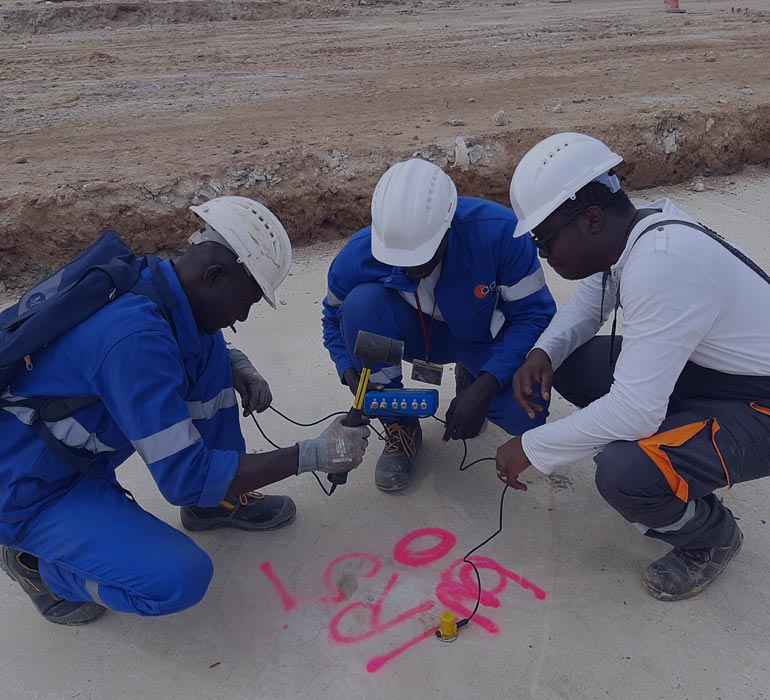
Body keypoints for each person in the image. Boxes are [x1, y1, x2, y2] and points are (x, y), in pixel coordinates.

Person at [0, 196, 370, 625]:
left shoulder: (155, 286)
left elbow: (180, 351)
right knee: (178, 579)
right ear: (214, 276)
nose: (243, 316)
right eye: (247, 301)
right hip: (30, 489)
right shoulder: (133, 338)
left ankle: (215, 503)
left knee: (209, 346)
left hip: (69, 459)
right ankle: (40, 570)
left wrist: (231, 361)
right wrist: (313, 455)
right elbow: (185, 478)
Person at [496, 131, 770, 601]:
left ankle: (712, 537)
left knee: (624, 474)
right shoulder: (639, 233)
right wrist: (543, 354)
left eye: (545, 239)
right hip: (722, 379)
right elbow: (591, 304)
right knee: (573, 363)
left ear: (592, 219)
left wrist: (532, 447)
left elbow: (635, 412)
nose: (543, 254)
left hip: (759, 405)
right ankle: (679, 459)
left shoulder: (662, 265)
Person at [323, 158, 556, 491]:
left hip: (482, 337)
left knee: (526, 414)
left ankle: (472, 374)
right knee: (361, 305)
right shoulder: (359, 253)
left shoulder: (500, 233)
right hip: (417, 335)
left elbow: (534, 316)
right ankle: (400, 426)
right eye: (397, 258)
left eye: (420, 255)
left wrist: (487, 383)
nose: (409, 268)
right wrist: (348, 369)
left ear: (447, 227)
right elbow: (332, 318)